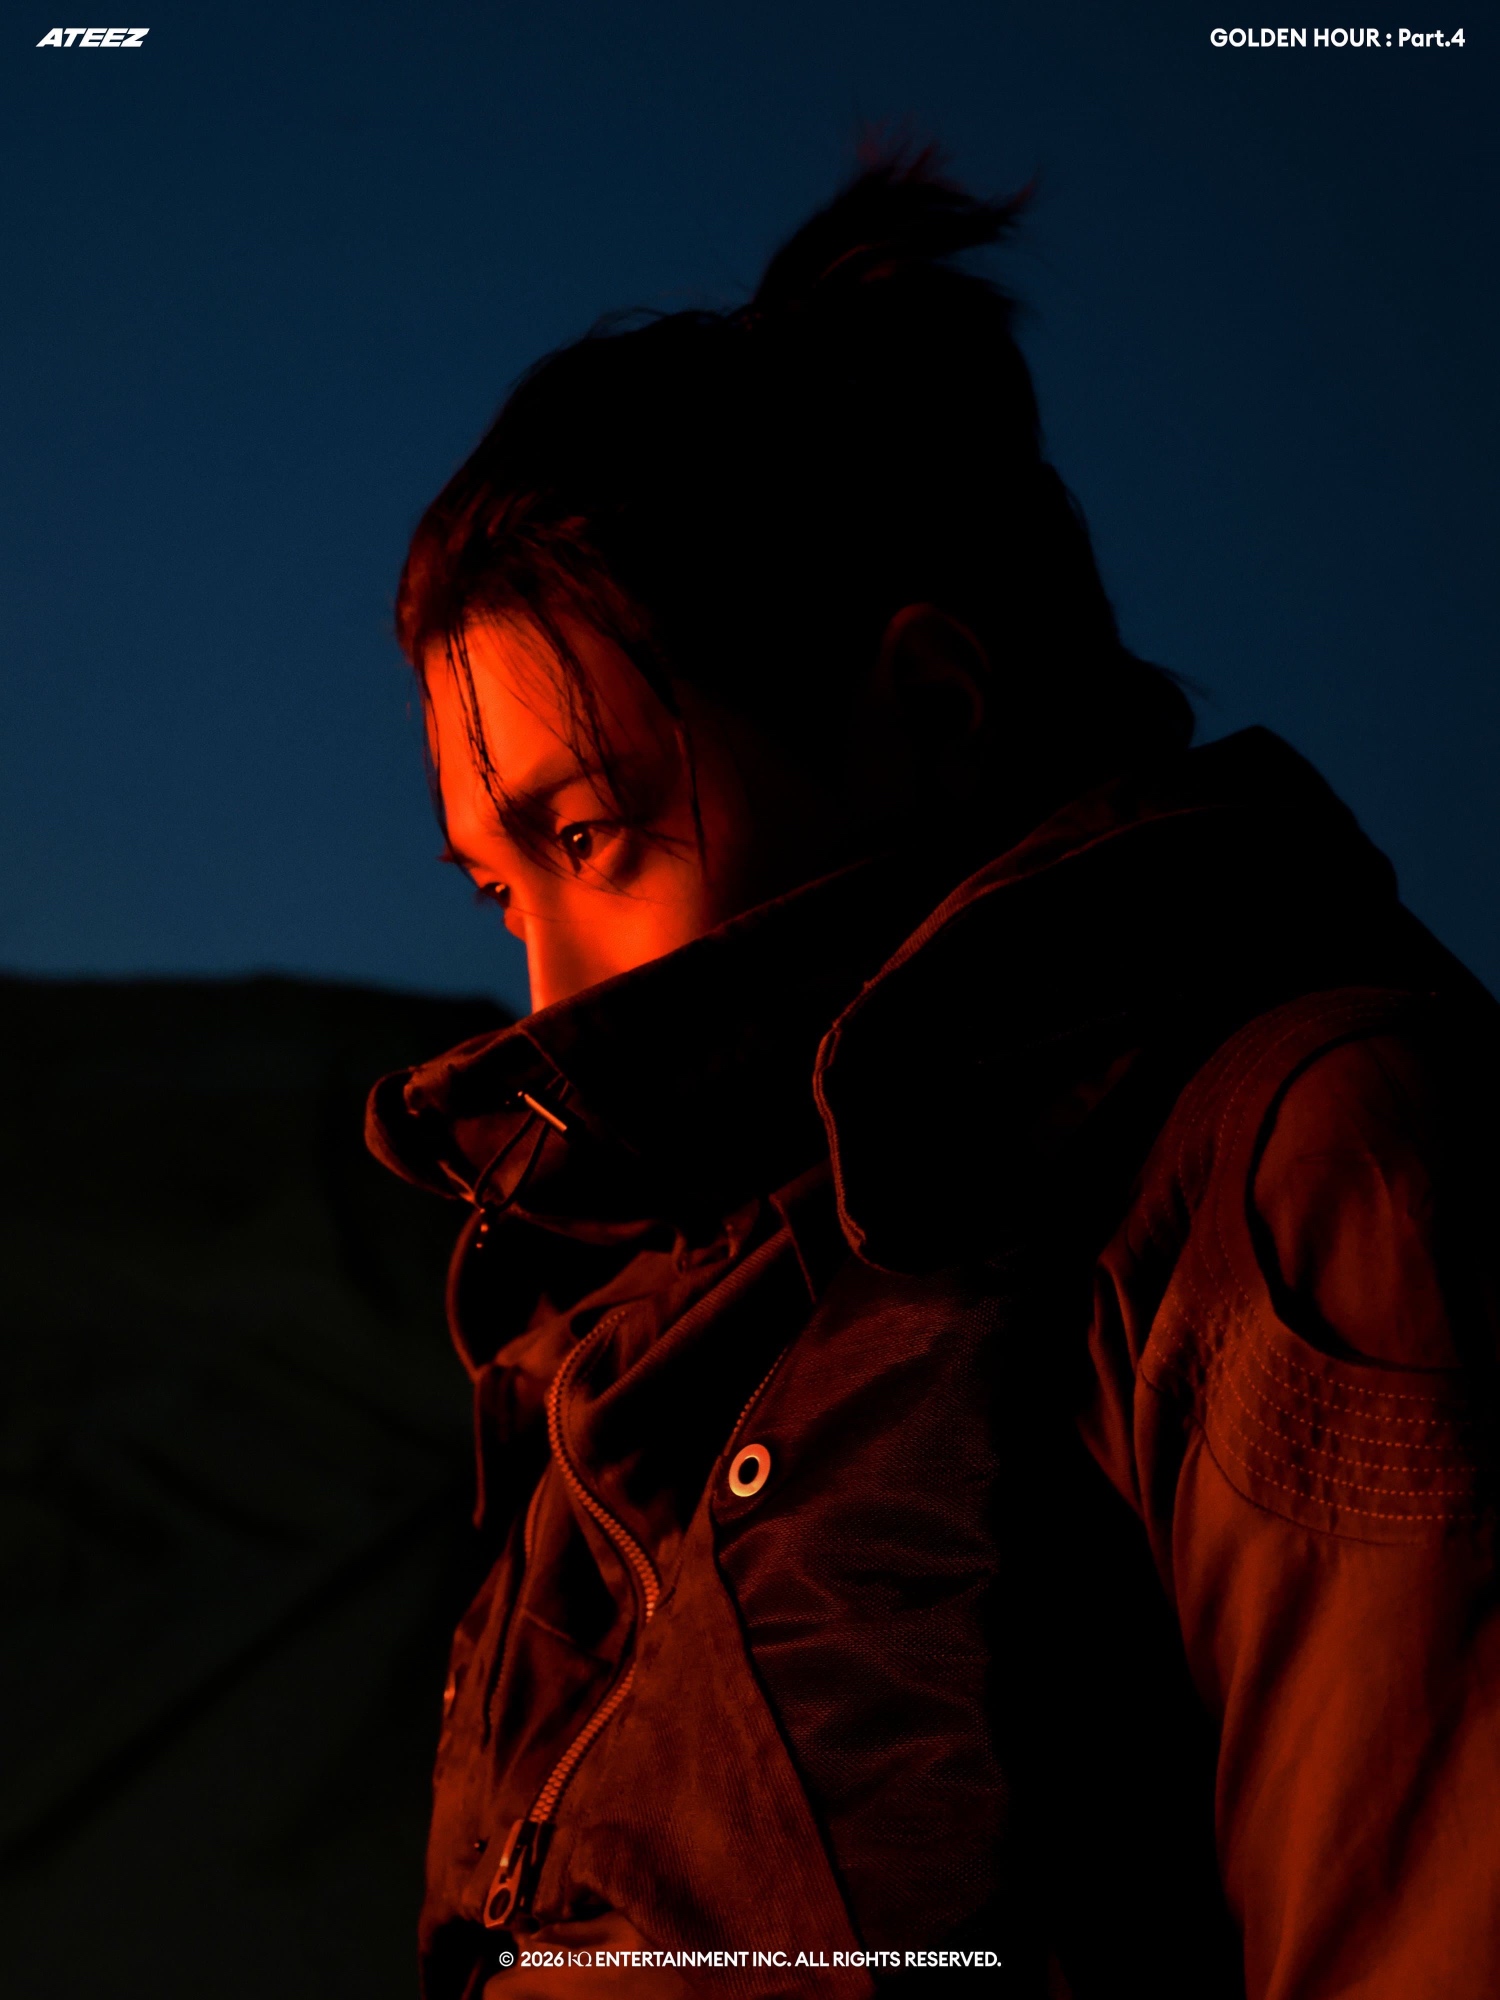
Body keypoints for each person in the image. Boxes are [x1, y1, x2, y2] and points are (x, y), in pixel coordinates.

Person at [366, 153, 1500, 2000]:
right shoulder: (638, 1339)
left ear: (936, 710)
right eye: (503, 891)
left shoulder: (1303, 1165)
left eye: (592, 838)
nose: (544, 994)